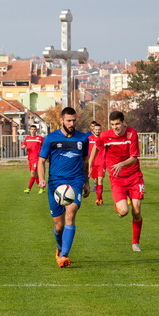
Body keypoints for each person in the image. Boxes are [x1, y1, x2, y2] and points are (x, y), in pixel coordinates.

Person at [38, 107, 90, 268]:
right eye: (68, 120)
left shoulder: (83, 138)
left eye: (74, 120)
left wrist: (86, 182)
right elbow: (41, 161)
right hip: (55, 183)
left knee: (70, 214)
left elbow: (85, 161)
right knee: (58, 225)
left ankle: (64, 256)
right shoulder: (51, 138)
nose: (71, 123)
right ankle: (60, 248)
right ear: (61, 120)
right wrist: (41, 179)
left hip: (75, 181)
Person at [89, 111, 144, 252]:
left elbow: (134, 157)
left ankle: (135, 242)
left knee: (136, 211)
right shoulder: (106, 135)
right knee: (124, 211)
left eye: (118, 124)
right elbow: (96, 146)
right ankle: (119, 207)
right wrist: (90, 164)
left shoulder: (132, 134)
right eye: (112, 125)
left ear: (123, 122)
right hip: (117, 179)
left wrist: (121, 164)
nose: (115, 127)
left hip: (134, 176)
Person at [21, 125, 45, 194]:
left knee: (33, 173)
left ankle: (28, 188)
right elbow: (24, 145)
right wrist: (22, 147)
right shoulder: (27, 138)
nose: (33, 130)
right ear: (29, 130)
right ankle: (41, 188)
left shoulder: (40, 138)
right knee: (36, 175)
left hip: (37, 158)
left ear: (36, 130)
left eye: (34, 129)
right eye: (32, 129)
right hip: (30, 159)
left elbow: (44, 147)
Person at [88, 123, 105, 205]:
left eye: (99, 129)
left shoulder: (103, 139)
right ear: (93, 130)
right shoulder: (89, 139)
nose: (98, 131)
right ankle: (100, 197)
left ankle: (97, 199)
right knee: (96, 181)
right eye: (96, 129)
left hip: (102, 162)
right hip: (93, 163)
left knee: (100, 180)